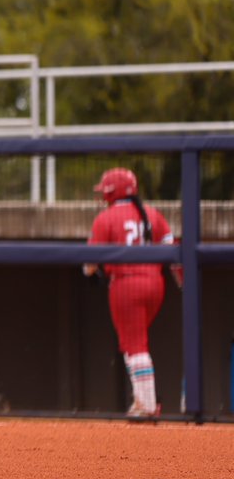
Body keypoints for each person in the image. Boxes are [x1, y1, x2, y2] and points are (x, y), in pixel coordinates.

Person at [83, 167, 175, 418]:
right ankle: (143, 400)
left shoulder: (107, 218)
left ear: (112, 192)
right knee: (134, 342)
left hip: (126, 285)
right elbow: (172, 249)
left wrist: (91, 274)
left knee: (135, 345)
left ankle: (146, 404)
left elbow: (90, 262)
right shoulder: (152, 214)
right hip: (156, 283)